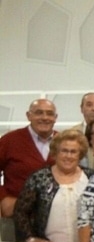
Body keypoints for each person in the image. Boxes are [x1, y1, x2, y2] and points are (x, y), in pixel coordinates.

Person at [13, 129, 94, 242]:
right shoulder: (39, 178)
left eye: (73, 152)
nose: (68, 156)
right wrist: (30, 239)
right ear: (55, 153)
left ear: (80, 155)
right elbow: (20, 212)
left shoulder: (91, 177)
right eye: (64, 151)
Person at [0, 99, 58, 233]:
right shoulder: (10, 140)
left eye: (49, 114)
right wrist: (3, 198)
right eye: (39, 113)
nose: (44, 117)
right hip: (15, 217)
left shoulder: (63, 142)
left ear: (55, 118)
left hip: (54, 220)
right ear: (28, 115)